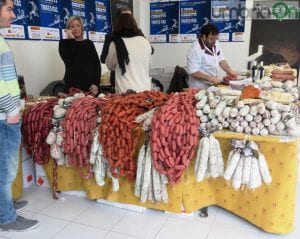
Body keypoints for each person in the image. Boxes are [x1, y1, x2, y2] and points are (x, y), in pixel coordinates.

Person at [0, 0, 39, 231]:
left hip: (6, 114)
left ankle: (5, 205)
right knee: (5, 169)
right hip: (5, 117)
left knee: (3, 166)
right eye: (8, 9)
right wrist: (13, 111)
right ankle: (6, 217)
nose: (13, 15)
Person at [105, 13, 152, 93]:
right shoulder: (145, 42)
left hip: (124, 93)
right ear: (134, 24)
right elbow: (149, 66)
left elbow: (110, 65)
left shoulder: (116, 43)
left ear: (118, 25)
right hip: (145, 91)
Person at [59, 16, 101, 96]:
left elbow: (96, 65)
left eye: (78, 26)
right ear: (68, 29)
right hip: (72, 86)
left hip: (89, 87)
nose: (76, 29)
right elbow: (69, 60)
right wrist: (71, 40)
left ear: (82, 28)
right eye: (72, 26)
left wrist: (96, 84)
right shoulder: (64, 44)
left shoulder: (89, 43)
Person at [187, 24, 236, 89]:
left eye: (216, 38)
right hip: (199, 87)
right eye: (211, 39)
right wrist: (210, 78)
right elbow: (193, 72)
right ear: (204, 37)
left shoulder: (215, 43)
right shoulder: (195, 49)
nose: (214, 41)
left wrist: (230, 71)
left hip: (212, 85)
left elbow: (221, 60)